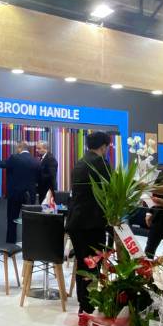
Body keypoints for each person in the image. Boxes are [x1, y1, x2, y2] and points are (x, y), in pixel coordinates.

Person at [65, 131, 112, 315]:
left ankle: (84, 305)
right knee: (92, 264)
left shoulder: (80, 162)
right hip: (91, 224)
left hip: (76, 222)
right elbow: (111, 189)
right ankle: (88, 306)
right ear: (103, 146)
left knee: (83, 264)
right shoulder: (101, 163)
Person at [0, 143, 40, 243]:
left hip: (15, 195)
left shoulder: (14, 158)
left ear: (20, 148)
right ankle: (29, 246)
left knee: (12, 221)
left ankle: (11, 245)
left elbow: (0, 164)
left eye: (17, 148)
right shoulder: (35, 161)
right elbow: (38, 179)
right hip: (30, 196)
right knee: (29, 222)